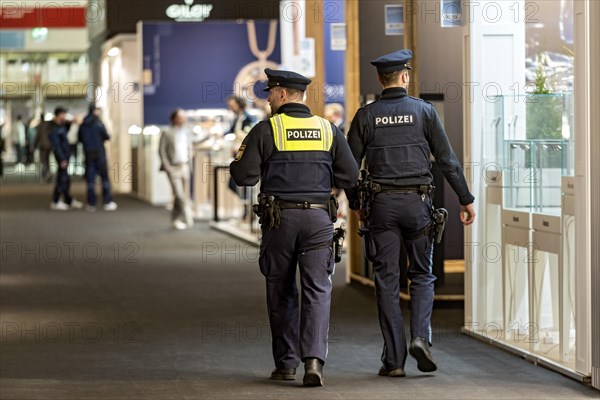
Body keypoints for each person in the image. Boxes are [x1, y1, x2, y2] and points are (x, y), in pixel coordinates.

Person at [345, 49, 476, 377]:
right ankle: (420, 337)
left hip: (381, 207)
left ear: (380, 79)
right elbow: (447, 160)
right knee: (422, 275)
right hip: (418, 205)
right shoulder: (424, 112)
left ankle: (394, 360)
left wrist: (356, 203)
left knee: (387, 280)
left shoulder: (365, 115)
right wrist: (465, 197)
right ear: (405, 77)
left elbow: (347, 168)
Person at [230, 68, 359, 387]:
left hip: (280, 220)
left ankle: (286, 364)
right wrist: (325, 186)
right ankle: (313, 361)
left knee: (281, 289)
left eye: (270, 93)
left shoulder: (267, 129)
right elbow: (351, 176)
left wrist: (240, 162)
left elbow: (244, 176)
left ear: (283, 95)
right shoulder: (328, 129)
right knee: (317, 289)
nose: (268, 98)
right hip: (318, 220)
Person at [159, 108, 194, 230]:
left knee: (182, 195)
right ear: (174, 119)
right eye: (181, 117)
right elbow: (162, 150)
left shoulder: (186, 132)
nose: (183, 119)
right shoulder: (167, 132)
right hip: (173, 168)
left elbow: (190, 147)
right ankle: (186, 214)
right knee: (178, 194)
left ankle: (175, 218)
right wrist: (167, 166)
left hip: (184, 166)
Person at [78, 104, 117, 212]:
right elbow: (107, 136)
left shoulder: (83, 124)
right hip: (99, 155)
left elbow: (80, 139)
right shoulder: (98, 123)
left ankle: (91, 203)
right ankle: (107, 201)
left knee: (90, 180)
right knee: (104, 179)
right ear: (94, 111)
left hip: (89, 155)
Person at [226, 95, 256, 220]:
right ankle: (247, 209)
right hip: (237, 156)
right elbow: (230, 131)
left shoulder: (248, 119)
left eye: (232, 105)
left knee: (238, 184)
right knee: (234, 185)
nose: (231, 108)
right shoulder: (236, 118)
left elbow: (249, 136)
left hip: (245, 157)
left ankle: (249, 210)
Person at [48, 107, 83, 211]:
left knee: (65, 179)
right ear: (59, 115)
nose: (65, 116)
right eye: (63, 114)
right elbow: (56, 145)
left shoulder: (61, 125)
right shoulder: (53, 128)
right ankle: (56, 201)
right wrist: (62, 159)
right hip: (61, 156)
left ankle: (68, 200)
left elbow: (68, 125)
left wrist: (73, 121)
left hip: (65, 155)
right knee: (62, 179)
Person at [34, 113, 52, 182]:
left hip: (42, 146)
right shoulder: (48, 125)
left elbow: (37, 136)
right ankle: (48, 174)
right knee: (48, 160)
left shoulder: (39, 125)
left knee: (43, 160)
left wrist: (34, 144)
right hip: (49, 145)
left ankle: (45, 175)